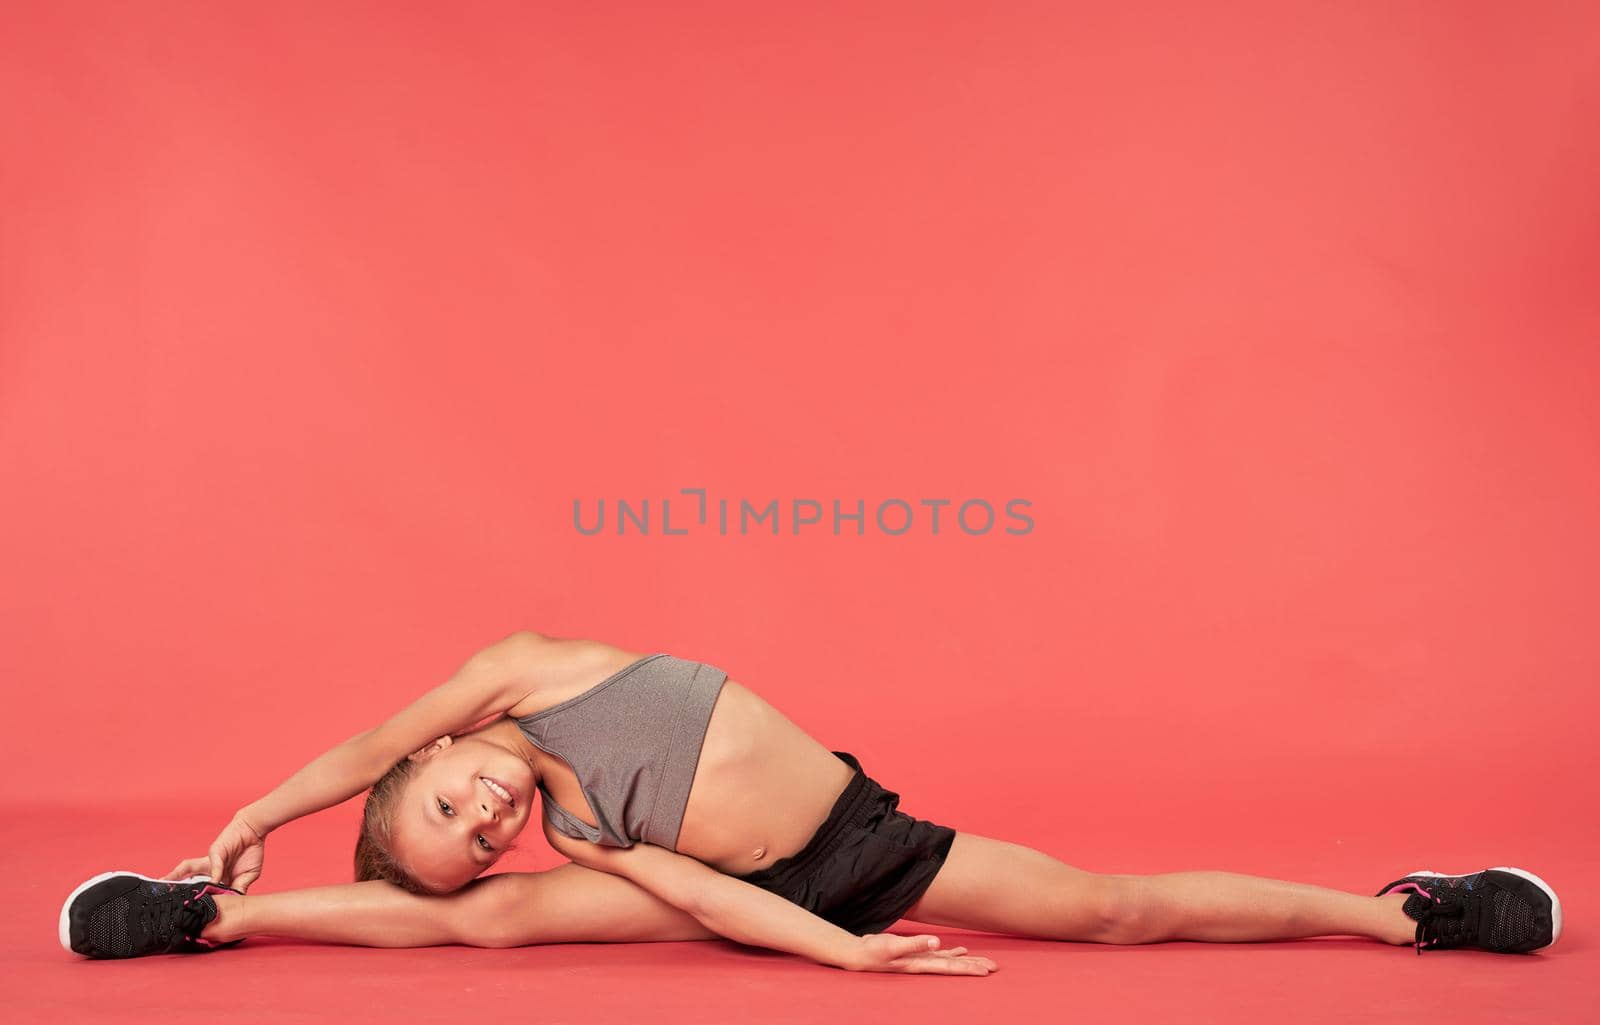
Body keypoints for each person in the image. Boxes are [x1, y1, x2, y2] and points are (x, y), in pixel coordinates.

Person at [60, 631, 1562, 969]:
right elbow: (705, 896)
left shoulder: (525, 671)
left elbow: (361, 740)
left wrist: (258, 801)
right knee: (490, 930)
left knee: (1114, 906)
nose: (488, 819)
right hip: (793, 894)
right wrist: (844, 955)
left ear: (426, 757)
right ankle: (207, 922)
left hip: (865, 843)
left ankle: (1403, 911)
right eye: (471, 840)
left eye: (454, 804)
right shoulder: (580, 831)